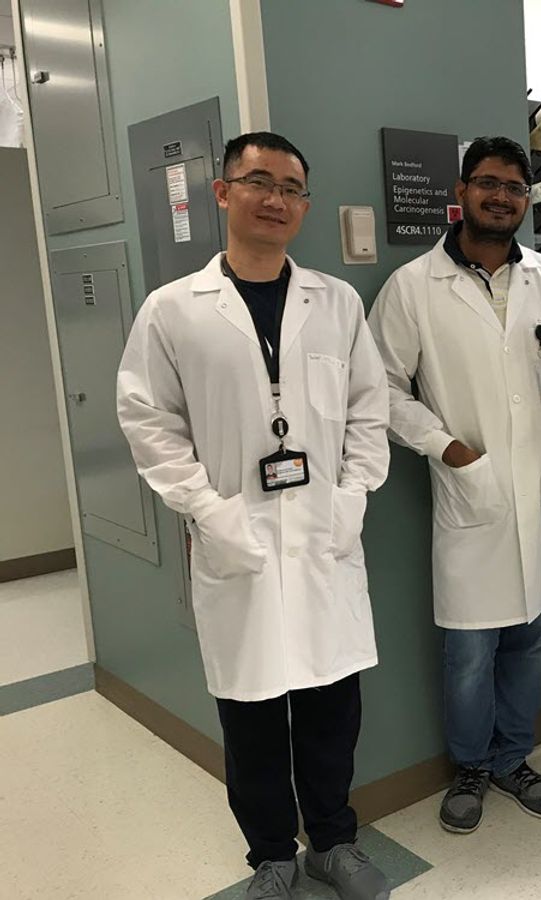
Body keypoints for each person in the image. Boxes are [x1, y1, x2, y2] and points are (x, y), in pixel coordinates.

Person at [116, 132, 391, 900]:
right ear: (223, 192)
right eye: (259, 181)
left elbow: (370, 409)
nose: (276, 200)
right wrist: (209, 509)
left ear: (304, 204)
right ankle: (272, 854)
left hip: (324, 539)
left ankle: (335, 842)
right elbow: (147, 420)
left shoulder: (335, 303)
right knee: (253, 718)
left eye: (292, 188)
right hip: (237, 541)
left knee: (334, 711)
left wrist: (352, 495)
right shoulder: (173, 310)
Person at [368, 136, 541, 836]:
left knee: (530, 639)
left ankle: (514, 759)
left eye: (515, 188)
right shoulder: (414, 286)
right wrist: (449, 448)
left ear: (527, 200)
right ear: (461, 192)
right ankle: (470, 767)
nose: (502, 197)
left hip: (539, 487)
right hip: (473, 490)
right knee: (469, 651)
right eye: (489, 183)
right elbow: (379, 386)